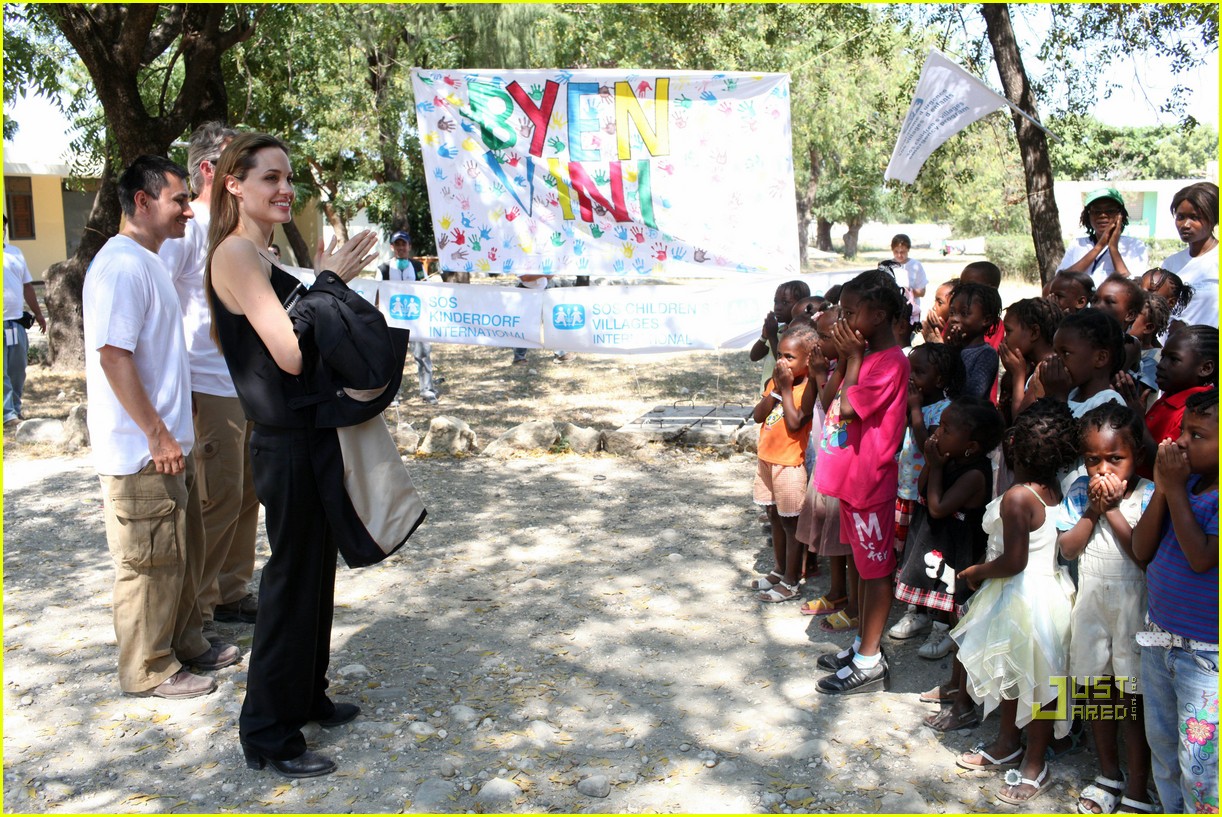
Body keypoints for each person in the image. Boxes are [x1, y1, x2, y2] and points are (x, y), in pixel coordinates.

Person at [206, 133, 380, 778]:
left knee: (315, 573)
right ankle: (269, 733)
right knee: (289, 581)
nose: (284, 189)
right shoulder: (235, 255)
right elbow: (290, 353)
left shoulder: (263, 251)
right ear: (233, 185)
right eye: (269, 178)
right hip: (281, 440)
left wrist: (326, 283)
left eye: (287, 179)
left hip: (307, 433)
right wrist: (330, 281)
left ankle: (306, 696)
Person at [83, 155, 240, 699]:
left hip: (171, 443)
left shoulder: (149, 261)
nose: (187, 212)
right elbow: (113, 356)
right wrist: (155, 432)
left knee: (183, 552)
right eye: (178, 201)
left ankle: (186, 643)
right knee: (149, 563)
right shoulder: (123, 265)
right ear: (143, 202)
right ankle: (148, 668)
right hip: (141, 452)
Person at [158, 122, 261, 635]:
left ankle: (231, 591)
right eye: (236, 166)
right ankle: (195, 614)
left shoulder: (227, 231)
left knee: (247, 493)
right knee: (216, 500)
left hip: (241, 382)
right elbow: (163, 310)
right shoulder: (185, 229)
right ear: (208, 170)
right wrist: (180, 394)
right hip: (206, 385)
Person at [950, 399, 1079, 806]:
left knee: (1036, 683)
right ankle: (1008, 742)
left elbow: (1013, 560)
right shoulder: (1052, 490)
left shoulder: (1018, 498)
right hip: (1049, 593)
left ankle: (1033, 763)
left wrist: (975, 573)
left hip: (1023, 597)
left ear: (1014, 450)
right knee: (1019, 672)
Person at [812, 269, 909, 695]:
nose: (843, 322)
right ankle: (861, 645)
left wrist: (851, 359)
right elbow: (832, 397)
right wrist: (851, 358)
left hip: (872, 483)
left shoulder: (890, 362)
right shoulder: (868, 356)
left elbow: (849, 409)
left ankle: (870, 660)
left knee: (876, 570)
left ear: (881, 314)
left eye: (851, 313)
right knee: (865, 569)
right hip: (855, 482)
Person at [1055, 403, 1156, 814]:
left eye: (1115, 459)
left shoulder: (1150, 495)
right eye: (1092, 460)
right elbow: (1067, 549)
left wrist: (1112, 510)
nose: (1102, 470)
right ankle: (1107, 773)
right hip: (1093, 607)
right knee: (1097, 691)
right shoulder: (1079, 491)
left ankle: (1137, 784)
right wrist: (1093, 510)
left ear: (1137, 457)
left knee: (1132, 701)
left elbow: (1141, 553)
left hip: (1134, 611)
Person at [1131, 388, 1218, 814]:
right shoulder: (1179, 486)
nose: (1181, 441)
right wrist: (1165, 491)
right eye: (1183, 430)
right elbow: (1142, 549)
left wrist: (1175, 489)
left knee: (1200, 767)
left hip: (1205, 657)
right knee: (1163, 750)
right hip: (1160, 638)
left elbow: (1201, 557)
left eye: (1198, 435)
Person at [906, 397, 1003, 728]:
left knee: (963, 630)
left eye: (946, 429)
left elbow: (937, 507)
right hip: (946, 556)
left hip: (964, 561)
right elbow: (922, 490)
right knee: (956, 623)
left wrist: (935, 466)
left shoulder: (975, 474)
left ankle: (964, 702)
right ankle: (954, 687)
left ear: (970, 446)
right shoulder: (948, 459)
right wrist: (933, 463)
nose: (936, 433)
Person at [888, 345, 966, 645]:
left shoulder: (943, 410)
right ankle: (916, 609)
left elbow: (928, 448)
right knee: (909, 556)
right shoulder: (913, 406)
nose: (913, 378)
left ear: (941, 378)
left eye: (920, 372)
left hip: (926, 495)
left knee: (929, 555)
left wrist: (916, 410)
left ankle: (938, 620)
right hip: (905, 491)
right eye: (911, 371)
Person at [748, 323, 817, 602]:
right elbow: (757, 415)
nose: (781, 362)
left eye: (789, 357)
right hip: (767, 461)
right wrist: (776, 389)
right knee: (773, 517)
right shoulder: (775, 384)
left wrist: (787, 389)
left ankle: (791, 581)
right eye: (779, 354)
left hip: (789, 464)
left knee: (791, 525)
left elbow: (796, 421)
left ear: (808, 360)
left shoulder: (809, 387)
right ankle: (778, 570)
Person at [797, 307, 856, 628]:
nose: (816, 342)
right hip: (827, 457)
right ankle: (837, 592)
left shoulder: (849, 369)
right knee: (832, 533)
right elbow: (821, 399)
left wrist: (832, 369)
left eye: (822, 335)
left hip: (844, 463)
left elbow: (830, 399)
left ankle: (851, 600)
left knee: (845, 537)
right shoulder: (833, 366)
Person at [378, 231, 437, 403]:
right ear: (392, 247)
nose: (401, 248)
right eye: (397, 244)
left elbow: (427, 290)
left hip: (416, 321)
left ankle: (427, 391)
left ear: (409, 246)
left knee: (423, 354)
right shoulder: (384, 269)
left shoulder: (418, 268)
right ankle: (393, 394)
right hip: (393, 321)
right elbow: (377, 293)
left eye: (404, 244)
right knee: (393, 359)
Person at [4, 215, 46, 426]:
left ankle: (16, 409)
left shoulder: (14, 253)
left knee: (17, 370)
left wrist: (38, 314)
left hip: (16, 322)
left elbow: (27, 286)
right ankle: (7, 413)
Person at [1060, 187, 1149, 285]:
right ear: (1088, 215)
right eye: (1097, 211)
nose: (1102, 215)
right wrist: (1099, 246)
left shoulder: (1134, 245)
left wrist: (1113, 248)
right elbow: (1061, 281)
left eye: (1110, 211)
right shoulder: (1077, 244)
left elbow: (1133, 286)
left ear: (1120, 215)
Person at [1159, 182, 1218, 330]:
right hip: (1172, 349)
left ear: (1213, 219)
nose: (1185, 224)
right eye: (1180, 217)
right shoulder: (1170, 264)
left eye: (1194, 217)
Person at [997, 297, 1062, 426]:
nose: (1004, 340)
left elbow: (1021, 421)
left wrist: (1018, 376)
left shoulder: (1045, 370)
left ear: (1034, 332)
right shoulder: (1037, 366)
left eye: (1008, 332)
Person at [944, 281, 1001, 401]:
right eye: (952, 312)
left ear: (986, 320)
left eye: (964, 313)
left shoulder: (986, 354)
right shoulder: (951, 346)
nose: (954, 318)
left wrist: (955, 353)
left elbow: (972, 395)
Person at [749, 279, 810, 390]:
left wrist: (772, 336)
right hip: (768, 391)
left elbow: (783, 361)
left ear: (800, 305)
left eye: (785, 302)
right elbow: (754, 356)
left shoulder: (799, 334)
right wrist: (764, 336)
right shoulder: (779, 330)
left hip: (785, 392)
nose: (778, 307)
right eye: (776, 302)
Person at [889, 233, 928, 315]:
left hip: (911, 312)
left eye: (902, 252)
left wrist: (907, 292)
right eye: (896, 251)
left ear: (908, 250)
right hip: (892, 310)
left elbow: (922, 292)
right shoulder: (887, 266)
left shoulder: (916, 265)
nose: (899, 255)